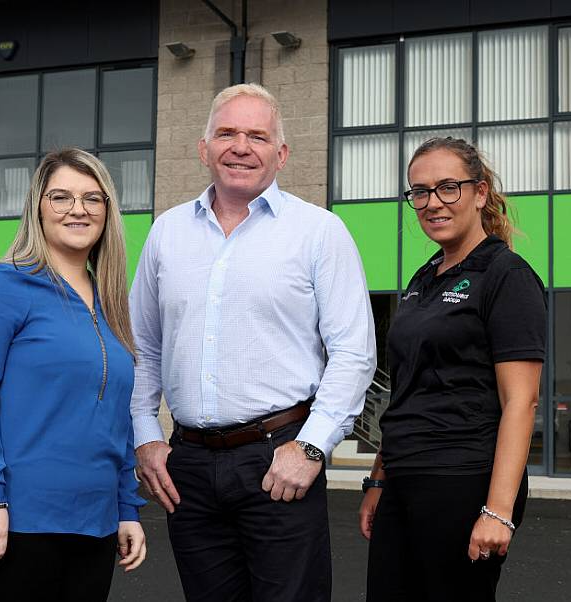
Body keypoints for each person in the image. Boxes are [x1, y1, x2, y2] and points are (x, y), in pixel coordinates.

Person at [129, 83, 376, 602]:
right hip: (188, 467)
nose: (240, 146)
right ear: (203, 148)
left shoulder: (319, 232)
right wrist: (146, 435)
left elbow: (354, 352)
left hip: (279, 457)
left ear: (281, 154)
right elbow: (144, 347)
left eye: (257, 136)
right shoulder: (166, 234)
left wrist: (312, 446)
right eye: (226, 133)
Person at [0, 148, 147, 601]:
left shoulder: (111, 306)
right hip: (9, 521)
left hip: (93, 525)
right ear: (37, 207)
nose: (78, 209)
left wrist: (127, 507)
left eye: (93, 198)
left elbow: (116, 420)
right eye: (61, 197)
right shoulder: (0, 286)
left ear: (108, 212)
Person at [358, 137, 547, 601]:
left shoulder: (507, 276)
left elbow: (521, 401)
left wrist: (499, 511)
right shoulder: (424, 279)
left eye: (448, 188)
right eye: (419, 192)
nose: (432, 203)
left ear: (480, 193)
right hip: (404, 478)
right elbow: (406, 388)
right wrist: (380, 478)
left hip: (462, 480)